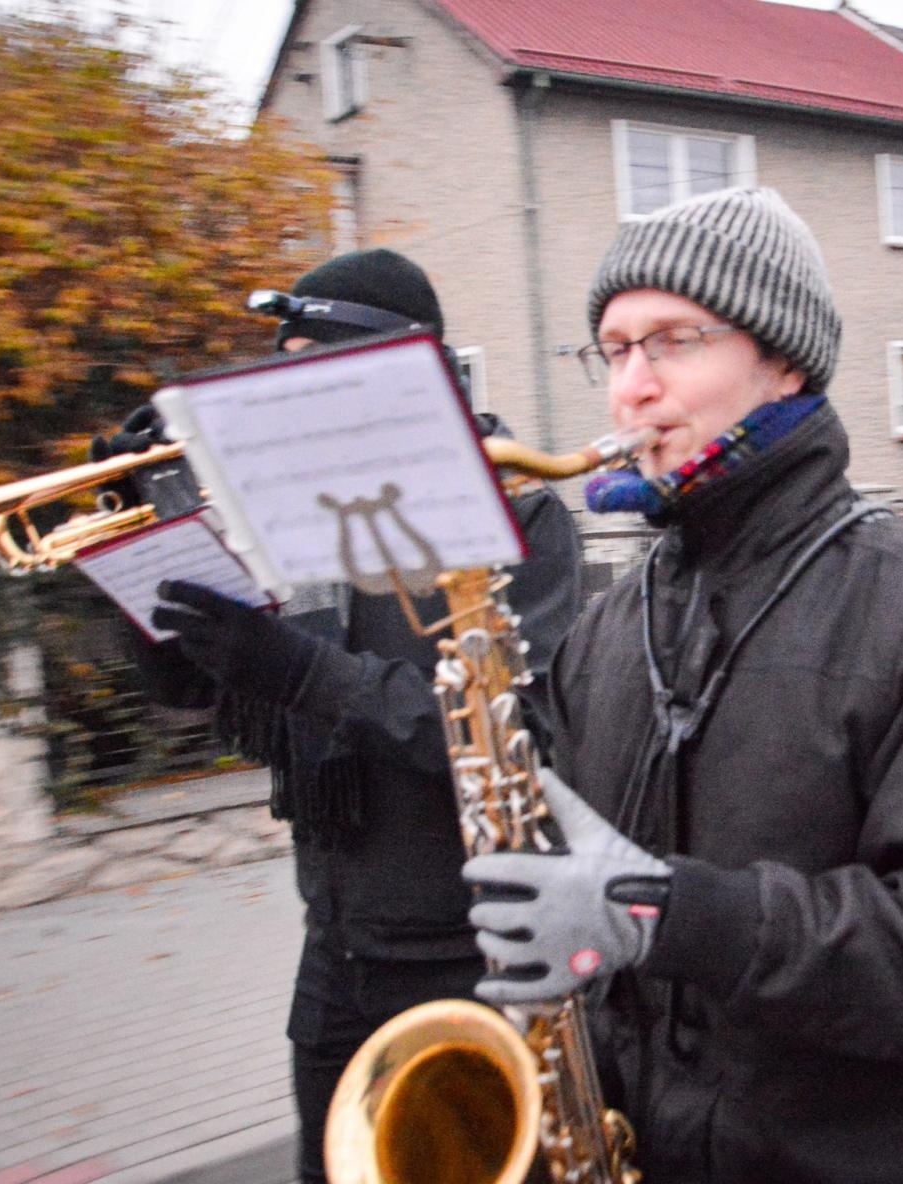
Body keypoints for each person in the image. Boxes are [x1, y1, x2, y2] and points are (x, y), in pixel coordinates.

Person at [460, 187, 903, 1183]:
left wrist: (671, 915)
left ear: (782, 357)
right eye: (613, 349)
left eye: (671, 341)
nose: (630, 389)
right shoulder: (607, 628)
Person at [92, 249, 583, 1184]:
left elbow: (516, 735)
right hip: (337, 952)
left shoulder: (513, 511)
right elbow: (187, 689)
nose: (285, 395)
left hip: (469, 959)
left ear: (397, 374)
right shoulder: (285, 516)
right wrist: (133, 531)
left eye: (310, 367)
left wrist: (311, 675)